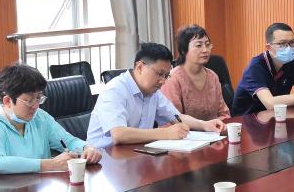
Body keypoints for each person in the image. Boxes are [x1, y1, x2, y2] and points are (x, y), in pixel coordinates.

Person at [0, 63, 102, 173]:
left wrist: (87, 148)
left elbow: (68, 141)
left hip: (37, 190)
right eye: (29, 101)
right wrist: (49, 164)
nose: (36, 106)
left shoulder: (40, 117)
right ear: (7, 101)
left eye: (38, 98)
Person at [86, 42, 225, 148]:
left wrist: (204, 125)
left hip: (134, 155)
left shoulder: (153, 93)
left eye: (166, 75)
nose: (163, 81)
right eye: (159, 74)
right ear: (140, 67)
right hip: (103, 162)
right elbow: (119, 134)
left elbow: (177, 118)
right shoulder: (114, 90)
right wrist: (166, 133)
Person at [230, 22, 294, 115]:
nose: (289, 48)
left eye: (292, 43)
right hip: (247, 120)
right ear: (268, 47)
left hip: (275, 116)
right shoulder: (255, 67)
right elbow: (270, 103)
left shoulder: (292, 61)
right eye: (282, 44)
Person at [161, 24, 230, 122]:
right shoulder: (173, 78)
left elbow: (224, 114)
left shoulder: (212, 76)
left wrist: (217, 125)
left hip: (214, 130)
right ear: (183, 50)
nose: (205, 50)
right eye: (198, 45)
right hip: (185, 131)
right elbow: (172, 119)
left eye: (207, 45)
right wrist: (204, 127)